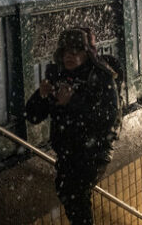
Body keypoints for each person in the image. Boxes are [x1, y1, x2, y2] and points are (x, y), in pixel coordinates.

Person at [25, 28, 120, 225]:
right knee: (67, 191)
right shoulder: (57, 75)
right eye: (65, 52)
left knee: (74, 191)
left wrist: (73, 101)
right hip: (67, 151)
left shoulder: (100, 77)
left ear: (86, 53)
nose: (70, 56)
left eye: (75, 51)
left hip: (94, 150)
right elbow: (33, 116)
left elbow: (109, 118)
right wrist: (41, 96)